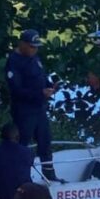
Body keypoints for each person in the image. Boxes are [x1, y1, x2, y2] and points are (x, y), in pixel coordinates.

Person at [5, 29, 60, 182]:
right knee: (23, 145)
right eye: (31, 46)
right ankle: (22, 178)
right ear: (22, 44)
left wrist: (51, 86)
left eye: (36, 47)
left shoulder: (34, 57)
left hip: (39, 108)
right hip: (24, 111)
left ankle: (49, 175)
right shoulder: (13, 62)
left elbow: (41, 76)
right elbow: (16, 90)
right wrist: (40, 93)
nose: (34, 49)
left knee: (45, 141)